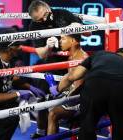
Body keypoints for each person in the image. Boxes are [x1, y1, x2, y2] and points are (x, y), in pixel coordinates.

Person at [57, 48, 123, 140]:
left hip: (96, 86)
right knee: (120, 129)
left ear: (116, 53)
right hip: (122, 89)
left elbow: (72, 76)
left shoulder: (100, 54)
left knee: (87, 127)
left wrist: (57, 90)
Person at [28, 0, 83, 138]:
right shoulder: (35, 26)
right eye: (39, 20)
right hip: (51, 63)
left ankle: (75, 131)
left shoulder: (63, 14)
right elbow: (40, 53)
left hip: (72, 62)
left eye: (45, 16)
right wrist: (48, 47)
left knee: (70, 99)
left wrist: (78, 27)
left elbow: (87, 34)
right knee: (43, 98)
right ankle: (41, 131)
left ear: (48, 8)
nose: (44, 20)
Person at [45, 33, 88, 135]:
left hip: (81, 99)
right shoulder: (72, 57)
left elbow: (77, 89)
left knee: (53, 113)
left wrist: (56, 92)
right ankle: (41, 132)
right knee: (45, 101)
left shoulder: (81, 59)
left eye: (63, 39)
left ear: (73, 41)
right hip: (74, 95)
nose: (60, 41)